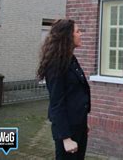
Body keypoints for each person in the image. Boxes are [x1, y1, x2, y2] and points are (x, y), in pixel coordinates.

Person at [37, 19, 91, 160]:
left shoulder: (70, 59)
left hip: (78, 125)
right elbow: (57, 104)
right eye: (77, 31)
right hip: (67, 130)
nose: (81, 34)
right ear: (67, 36)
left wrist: (83, 123)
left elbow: (76, 93)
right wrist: (66, 138)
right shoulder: (56, 65)